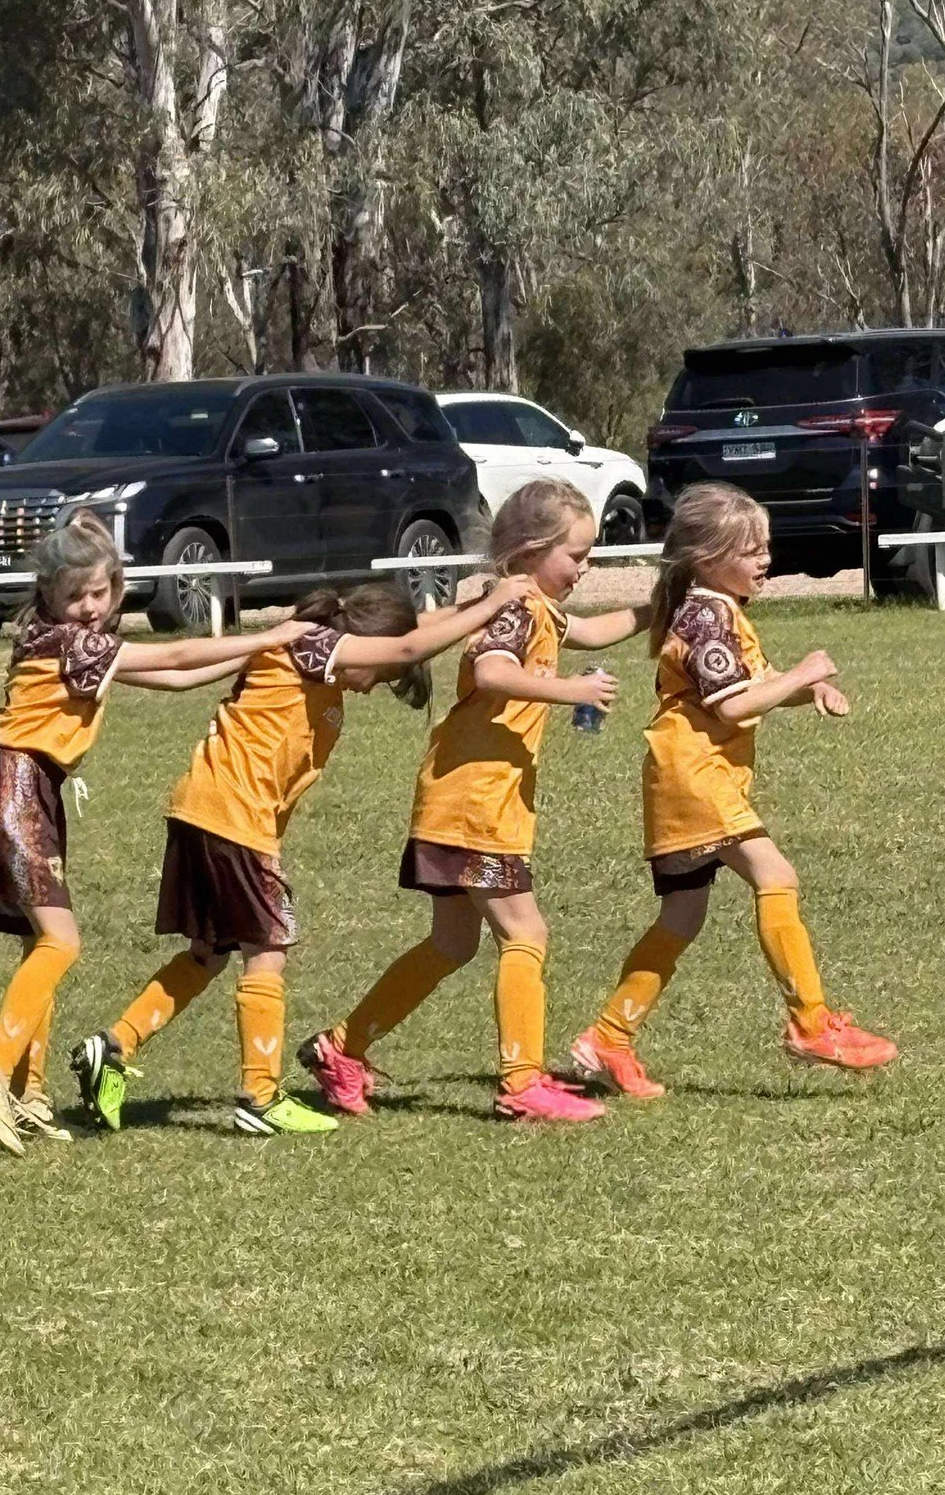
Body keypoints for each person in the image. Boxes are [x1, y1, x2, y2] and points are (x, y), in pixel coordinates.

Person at [70, 571, 539, 1137]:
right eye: (382, 674)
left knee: (209, 952)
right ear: (361, 644)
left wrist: (471, 605)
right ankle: (260, 1097)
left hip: (202, 808)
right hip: (234, 818)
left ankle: (113, 1048)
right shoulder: (313, 645)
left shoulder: (317, 653)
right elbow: (410, 645)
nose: (373, 686)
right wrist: (494, 602)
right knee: (268, 947)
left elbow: (409, 633)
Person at [0, 510, 309, 1157]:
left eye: (100, 593)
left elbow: (173, 675)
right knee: (60, 942)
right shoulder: (70, 643)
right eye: (74, 596)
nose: (89, 608)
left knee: (41, 943)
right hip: (16, 789)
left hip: (22, 788)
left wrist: (257, 652)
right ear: (49, 598)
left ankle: (31, 1095)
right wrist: (271, 634)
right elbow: (172, 651)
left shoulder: (69, 644)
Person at [300, 480, 644, 1124]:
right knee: (526, 931)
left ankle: (341, 1049)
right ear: (529, 550)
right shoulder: (511, 608)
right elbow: (489, 671)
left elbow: (593, 632)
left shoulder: (538, 606)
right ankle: (521, 1082)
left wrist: (658, 609)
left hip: (475, 803)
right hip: (473, 804)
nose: (585, 567)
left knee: (451, 946)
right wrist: (570, 691)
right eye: (576, 555)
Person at [568, 481, 897, 1095]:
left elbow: (754, 687)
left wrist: (806, 690)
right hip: (696, 776)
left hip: (685, 777)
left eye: (765, 548)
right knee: (778, 877)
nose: (764, 559)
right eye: (749, 550)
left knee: (681, 917)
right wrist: (804, 671)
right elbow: (732, 707)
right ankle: (810, 1022)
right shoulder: (705, 615)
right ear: (705, 557)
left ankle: (609, 1037)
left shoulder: (718, 610)